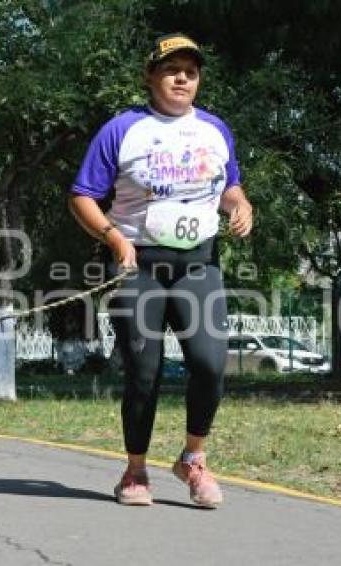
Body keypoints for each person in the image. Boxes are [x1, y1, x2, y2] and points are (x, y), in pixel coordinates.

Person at [69, 33, 254, 507]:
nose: (182, 78)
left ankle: (193, 458)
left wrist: (241, 204)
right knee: (143, 372)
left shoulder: (215, 129)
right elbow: (82, 196)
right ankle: (135, 472)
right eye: (171, 69)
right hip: (141, 267)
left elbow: (228, 186)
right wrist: (114, 237)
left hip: (199, 265)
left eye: (190, 71)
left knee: (211, 366)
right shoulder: (122, 129)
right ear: (150, 76)